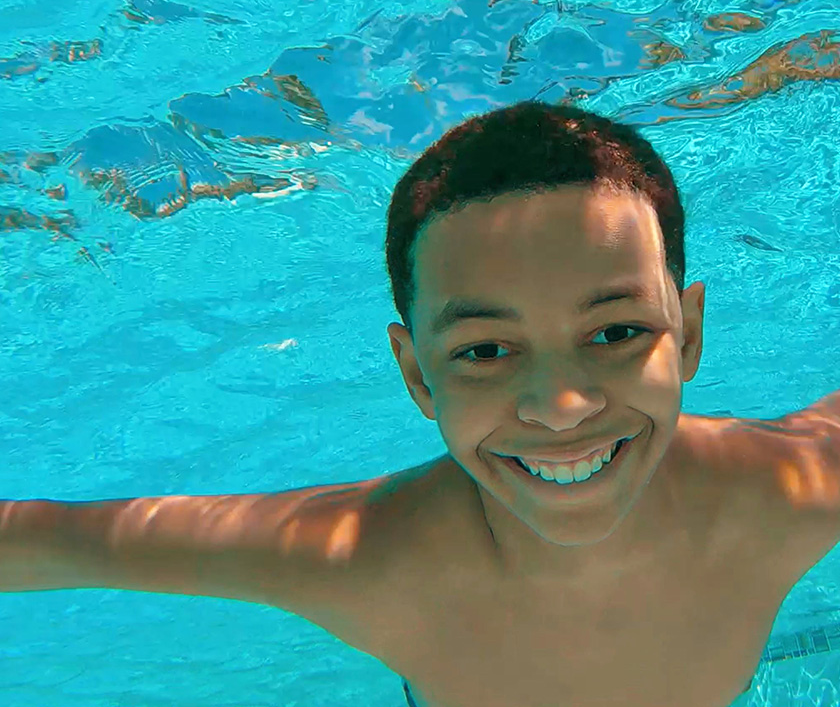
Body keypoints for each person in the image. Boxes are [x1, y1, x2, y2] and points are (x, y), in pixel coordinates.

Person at [3, 101, 840, 707]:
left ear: (687, 335)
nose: (560, 406)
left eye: (616, 332)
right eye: (484, 351)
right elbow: (55, 546)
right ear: (416, 374)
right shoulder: (370, 563)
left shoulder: (791, 491)